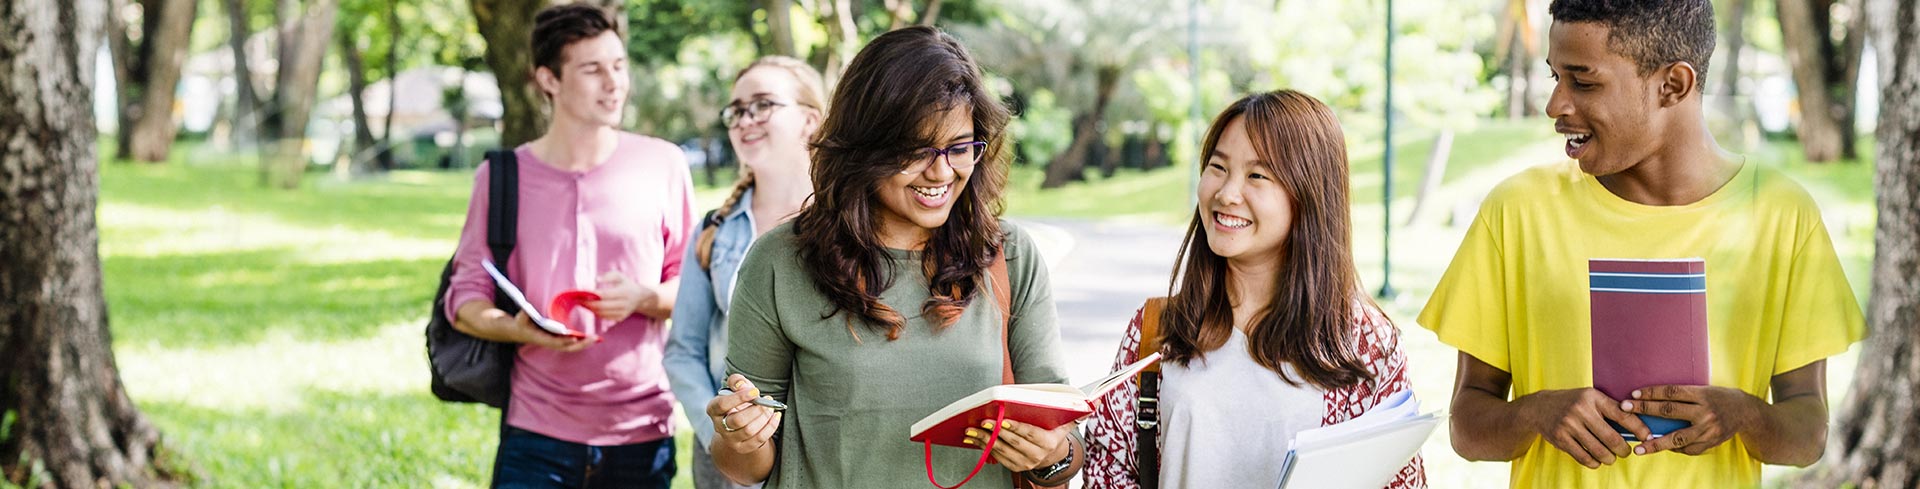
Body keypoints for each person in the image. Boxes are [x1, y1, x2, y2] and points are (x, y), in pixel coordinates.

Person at [1420, 0, 1864, 487]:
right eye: (1555, 78)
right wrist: (1534, 413)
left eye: (1583, 82)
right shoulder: (1517, 212)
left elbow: (1807, 434)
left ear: (1673, 85)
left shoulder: (1782, 216)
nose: (1555, 106)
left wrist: (1743, 415)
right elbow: (1467, 427)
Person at [703, 26, 1084, 488]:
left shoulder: (1010, 255)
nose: (942, 172)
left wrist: (1052, 454)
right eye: (916, 150)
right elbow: (743, 465)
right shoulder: (780, 261)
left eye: (959, 147)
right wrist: (739, 434)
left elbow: (1064, 445)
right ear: (864, 149)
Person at [1079, 90, 1426, 489]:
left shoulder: (1362, 341)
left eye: (1257, 176)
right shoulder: (1159, 328)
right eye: (1218, 167)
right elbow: (1108, 471)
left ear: (1309, 194)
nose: (1227, 193)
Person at [444, 4, 692, 487]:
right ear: (549, 80)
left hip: (641, 430)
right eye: (593, 69)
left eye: (619, 66)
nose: (614, 82)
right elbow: (464, 297)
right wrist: (520, 330)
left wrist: (643, 298)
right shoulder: (500, 177)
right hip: (535, 430)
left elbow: (694, 289)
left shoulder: (664, 164)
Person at [665, 55, 826, 489]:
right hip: (727, 467)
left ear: (809, 120)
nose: (745, 120)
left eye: (762, 105)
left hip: (822, 459)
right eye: (736, 110)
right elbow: (682, 350)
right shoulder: (714, 229)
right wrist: (722, 433)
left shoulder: (848, 227)